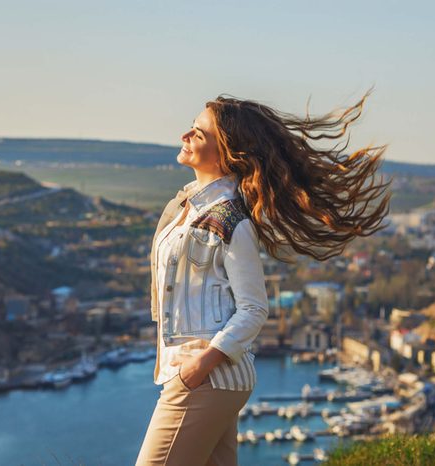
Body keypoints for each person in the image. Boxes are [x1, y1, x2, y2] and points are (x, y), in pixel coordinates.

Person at [135, 90, 391, 466]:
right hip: (202, 377)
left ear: (226, 154)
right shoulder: (183, 207)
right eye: (190, 129)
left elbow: (254, 309)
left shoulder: (230, 219)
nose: (185, 137)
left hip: (205, 378)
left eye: (198, 134)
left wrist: (200, 366)